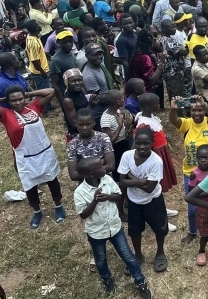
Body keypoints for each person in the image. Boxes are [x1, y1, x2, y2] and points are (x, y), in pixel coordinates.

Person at [0, 87, 65, 229]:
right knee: (30, 185)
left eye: (20, 99)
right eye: (13, 100)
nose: (17, 103)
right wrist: (5, 98)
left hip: (44, 152)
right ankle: (37, 211)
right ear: (8, 102)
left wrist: (28, 94)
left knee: (52, 180)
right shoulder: (5, 114)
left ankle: (58, 206)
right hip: (25, 157)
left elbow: (51, 91)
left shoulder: (34, 106)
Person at [74, 157, 152, 298]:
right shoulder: (80, 192)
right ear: (92, 174)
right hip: (96, 233)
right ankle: (107, 279)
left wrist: (108, 196)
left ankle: (140, 282)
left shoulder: (108, 180)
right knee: (101, 259)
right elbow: (83, 215)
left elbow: (118, 196)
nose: (105, 168)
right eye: (100, 167)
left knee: (128, 256)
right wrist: (95, 201)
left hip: (115, 228)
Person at [116, 127, 170, 274]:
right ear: (134, 141)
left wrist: (131, 178)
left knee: (160, 229)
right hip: (134, 202)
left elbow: (150, 188)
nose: (142, 147)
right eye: (138, 143)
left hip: (153, 201)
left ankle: (160, 252)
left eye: (146, 143)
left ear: (153, 143)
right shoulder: (127, 156)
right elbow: (122, 182)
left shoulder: (156, 161)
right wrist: (140, 181)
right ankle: (138, 255)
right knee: (134, 231)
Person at [169, 95, 208, 247]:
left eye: (199, 110)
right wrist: (173, 108)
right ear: (189, 111)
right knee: (192, 208)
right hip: (191, 172)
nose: (197, 113)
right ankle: (192, 231)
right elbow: (173, 120)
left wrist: (205, 106)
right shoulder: (186, 124)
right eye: (193, 110)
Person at [66, 108, 115, 181]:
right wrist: (101, 163)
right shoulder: (73, 144)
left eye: (88, 124)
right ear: (75, 124)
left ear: (94, 123)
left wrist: (86, 171)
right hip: (86, 185)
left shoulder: (103, 138)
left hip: (106, 180)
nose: (84, 128)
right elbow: (73, 175)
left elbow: (111, 166)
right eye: (81, 125)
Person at [187, 144, 208, 265]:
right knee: (204, 233)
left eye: (205, 157)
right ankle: (202, 250)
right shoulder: (194, 174)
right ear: (196, 158)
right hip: (203, 206)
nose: (202, 160)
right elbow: (191, 193)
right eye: (200, 157)